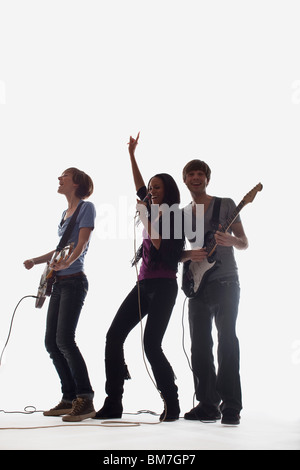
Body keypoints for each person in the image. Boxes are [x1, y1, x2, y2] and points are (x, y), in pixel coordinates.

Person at [94, 133, 185, 422]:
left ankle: (172, 402)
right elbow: (139, 185)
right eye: (150, 188)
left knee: (151, 345)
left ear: (167, 191)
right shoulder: (150, 205)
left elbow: (162, 248)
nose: (151, 191)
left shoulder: (173, 216)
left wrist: (147, 216)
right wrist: (132, 154)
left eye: (157, 188)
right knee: (113, 337)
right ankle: (114, 402)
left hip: (164, 286)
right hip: (143, 284)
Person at [23, 168, 96, 422]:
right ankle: (69, 398)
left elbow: (82, 243)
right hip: (60, 282)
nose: (59, 178)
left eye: (64, 176)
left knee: (65, 339)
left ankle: (85, 398)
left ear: (76, 183)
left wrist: (69, 263)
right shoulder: (64, 215)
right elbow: (59, 249)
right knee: (51, 342)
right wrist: (36, 260)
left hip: (75, 281)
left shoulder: (86, 208)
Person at [181, 159, 248, 425]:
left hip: (225, 281)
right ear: (185, 179)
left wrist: (232, 240)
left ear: (207, 179)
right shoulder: (182, 214)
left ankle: (231, 406)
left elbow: (244, 242)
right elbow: (176, 252)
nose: (196, 178)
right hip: (197, 284)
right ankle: (208, 404)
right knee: (199, 346)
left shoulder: (227, 204)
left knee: (227, 341)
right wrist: (188, 254)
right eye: (191, 174)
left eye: (201, 174)